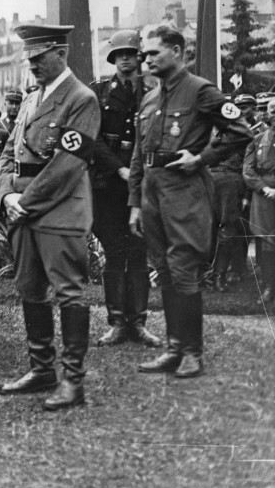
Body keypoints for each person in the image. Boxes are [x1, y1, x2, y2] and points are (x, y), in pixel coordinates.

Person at [129, 25, 253, 379]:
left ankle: (192, 352)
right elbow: (141, 154)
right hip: (153, 193)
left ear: (178, 52)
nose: (146, 59)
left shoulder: (200, 91)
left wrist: (201, 159)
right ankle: (173, 347)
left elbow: (240, 130)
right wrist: (135, 203)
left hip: (185, 192)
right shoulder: (151, 98)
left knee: (183, 270)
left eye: (154, 52)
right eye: (145, 53)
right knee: (165, 271)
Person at [0, 24, 100, 411]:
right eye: (29, 59)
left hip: (59, 210)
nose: (32, 66)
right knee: (29, 288)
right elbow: (10, 150)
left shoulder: (81, 98)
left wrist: (24, 201)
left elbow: (68, 164)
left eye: (39, 58)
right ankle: (42, 369)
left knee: (69, 292)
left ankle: (73, 380)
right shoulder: (31, 98)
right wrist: (6, 192)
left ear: (61, 53)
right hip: (22, 211)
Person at [88, 29, 162, 347]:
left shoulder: (155, 91)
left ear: (140, 57)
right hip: (108, 184)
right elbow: (92, 138)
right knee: (115, 253)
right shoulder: (99, 92)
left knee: (140, 251)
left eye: (131, 53)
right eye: (120, 55)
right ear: (113, 59)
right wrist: (118, 168)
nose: (126, 59)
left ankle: (140, 322)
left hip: (143, 184)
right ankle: (118, 322)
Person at [207, 93, 257, 291]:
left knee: (230, 229)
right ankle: (213, 274)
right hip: (218, 180)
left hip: (232, 181)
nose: (242, 111)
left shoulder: (249, 132)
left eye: (246, 107)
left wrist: (246, 194)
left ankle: (222, 274)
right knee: (219, 229)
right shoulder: (228, 131)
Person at [244, 96, 275, 305]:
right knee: (265, 240)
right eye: (272, 110)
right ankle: (268, 286)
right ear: (267, 114)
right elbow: (247, 169)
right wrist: (264, 188)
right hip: (263, 194)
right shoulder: (257, 139)